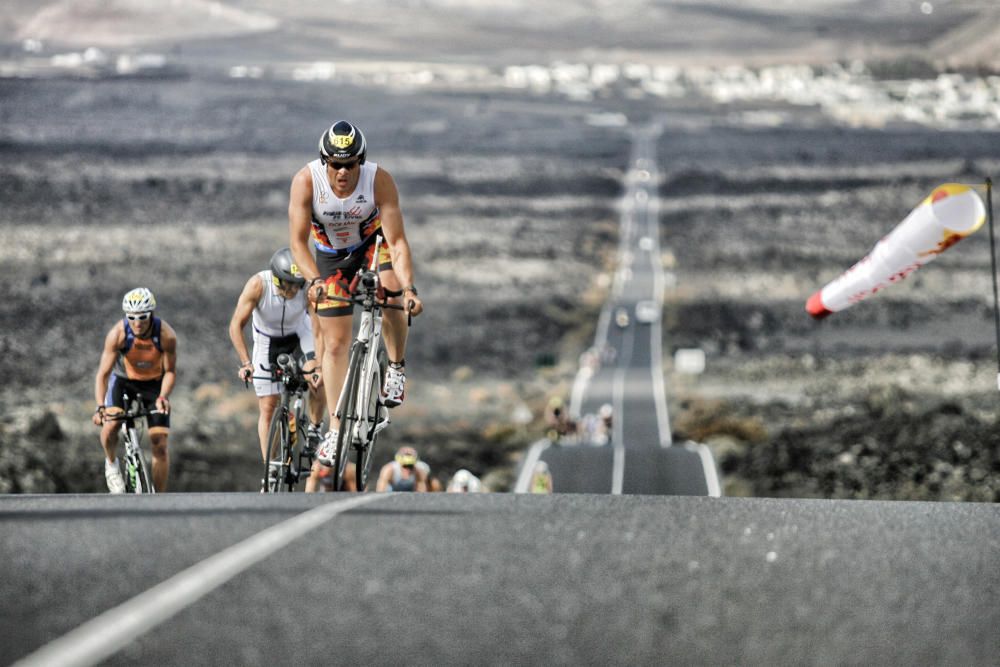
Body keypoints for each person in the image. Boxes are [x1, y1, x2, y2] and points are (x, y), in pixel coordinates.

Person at [288, 120, 424, 467]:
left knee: (390, 287)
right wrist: (315, 281)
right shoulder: (306, 181)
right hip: (331, 257)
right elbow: (297, 243)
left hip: (371, 245)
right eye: (336, 164)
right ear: (324, 163)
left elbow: (397, 242)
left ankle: (395, 366)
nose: (344, 172)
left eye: (351, 164)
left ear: (361, 162)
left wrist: (408, 288)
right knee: (334, 345)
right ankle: (335, 430)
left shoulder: (379, 180)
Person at [229, 248, 325, 484]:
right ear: (275, 278)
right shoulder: (258, 285)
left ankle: (314, 428)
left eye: (296, 285)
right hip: (267, 340)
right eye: (287, 285)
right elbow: (235, 326)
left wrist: (319, 366)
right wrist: (246, 363)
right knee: (268, 406)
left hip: (299, 335)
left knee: (315, 378)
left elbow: (318, 328)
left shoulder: (306, 289)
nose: (292, 291)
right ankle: (269, 469)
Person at [92, 288, 177, 493]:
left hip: (154, 384)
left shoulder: (166, 335)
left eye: (142, 317)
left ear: (151, 314)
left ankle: (159, 499)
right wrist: (100, 407)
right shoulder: (118, 335)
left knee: (160, 444)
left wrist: (163, 396)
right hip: (123, 382)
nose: (137, 323)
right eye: (131, 317)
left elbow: (171, 371)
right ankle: (111, 465)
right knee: (112, 424)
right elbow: (103, 374)